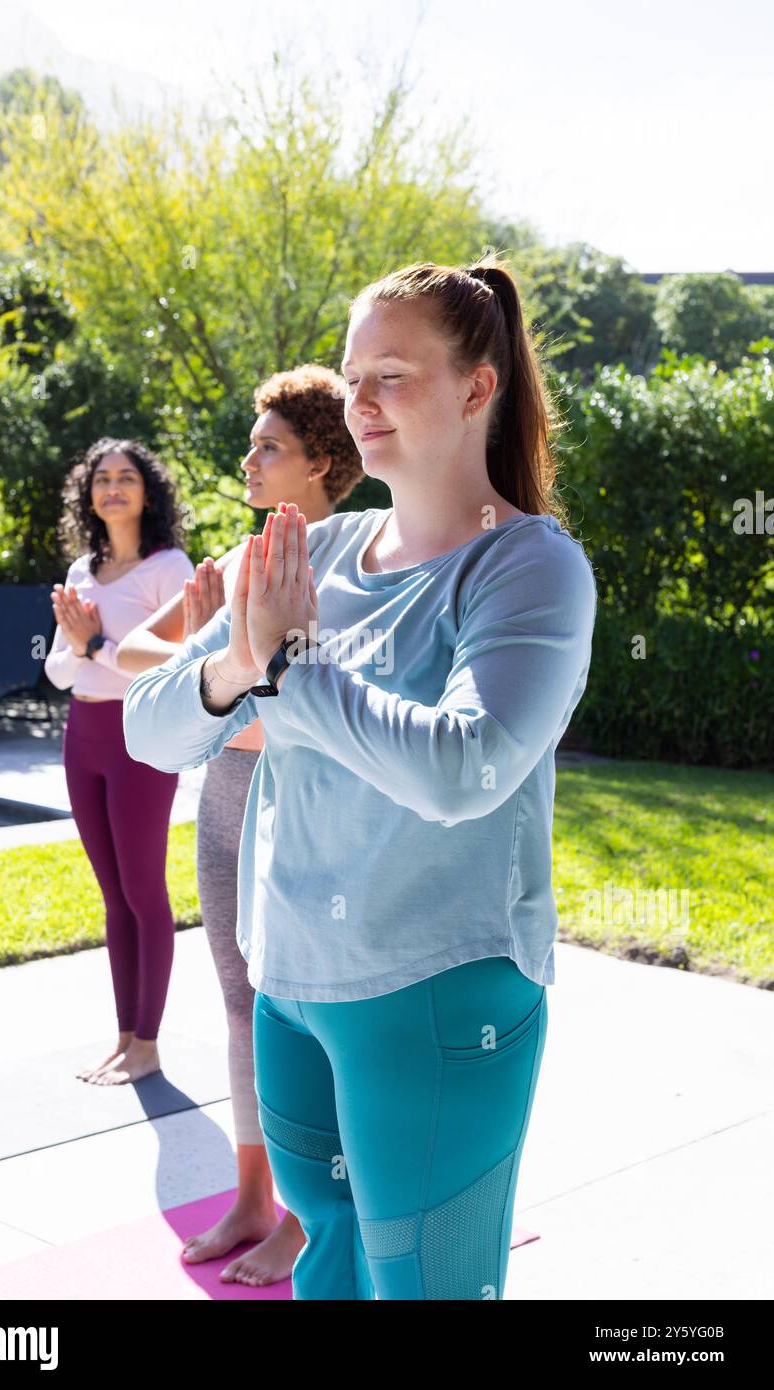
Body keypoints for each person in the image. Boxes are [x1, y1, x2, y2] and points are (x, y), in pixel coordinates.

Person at [122, 255, 599, 1299]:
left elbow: (463, 768)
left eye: (392, 372)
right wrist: (240, 663)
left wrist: (288, 669)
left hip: (437, 995)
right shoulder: (310, 552)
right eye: (351, 374)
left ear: (478, 388)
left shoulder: (527, 566)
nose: (361, 399)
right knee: (326, 1263)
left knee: (423, 1284)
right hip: (291, 986)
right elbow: (151, 731)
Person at [116, 366, 363, 1286]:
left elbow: (310, 697)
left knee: (301, 1008)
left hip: (288, 797)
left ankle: (309, 1213)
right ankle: (254, 1198)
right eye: (253, 442)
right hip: (224, 791)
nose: (249, 458)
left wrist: (221, 661)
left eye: (271, 446)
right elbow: (163, 670)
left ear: (323, 461)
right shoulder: (244, 555)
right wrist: (200, 630)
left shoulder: (355, 560)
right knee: (238, 1001)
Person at [44, 438, 194, 1086]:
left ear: (146, 491)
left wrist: (95, 643)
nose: (112, 488)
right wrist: (85, 649)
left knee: (143, 892)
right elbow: (54, 668)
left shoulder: (169, 568)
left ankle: (150, 1043)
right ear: (89, 495)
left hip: (143, 740)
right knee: (112, 896)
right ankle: (125, 1037)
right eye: (101, 478)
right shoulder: (81, 572)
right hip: (83, 737)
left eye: (125, 478)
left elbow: (175, 664)